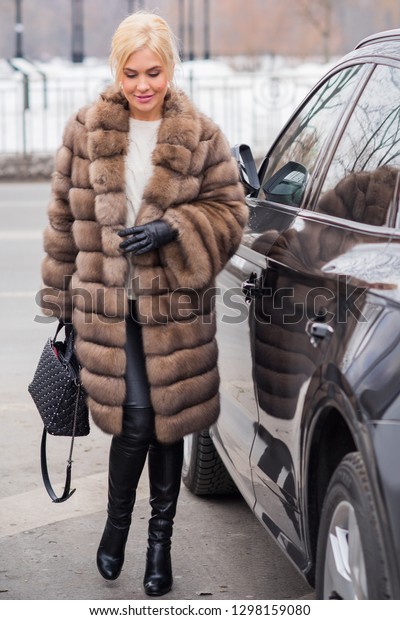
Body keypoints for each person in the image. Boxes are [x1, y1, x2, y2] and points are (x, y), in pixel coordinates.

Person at [40, 11, 248, 597]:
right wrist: (61, 303)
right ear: (117, 69)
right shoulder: (85, 131)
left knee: (168, 422)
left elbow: (232, 213)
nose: (143, 85)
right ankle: (117, 527)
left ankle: (160, 545)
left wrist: (175, 229)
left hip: (174, 311)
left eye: (153, 72)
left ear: (170, 69)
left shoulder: (201, 136)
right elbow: (62, 220)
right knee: (135, 420)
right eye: (131, 73)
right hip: (108, 310)